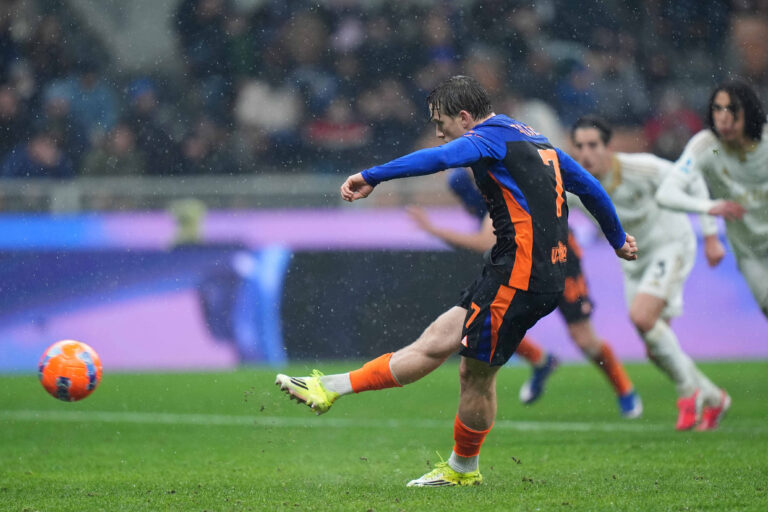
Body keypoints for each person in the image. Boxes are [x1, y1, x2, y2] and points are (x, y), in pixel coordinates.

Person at [276, 76, 637, 487]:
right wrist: (616, 238)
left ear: (465, 117)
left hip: (518, 277)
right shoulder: (536, 140)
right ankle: (330, 388)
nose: (438, 131)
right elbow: (588, 186)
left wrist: (372, 175)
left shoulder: (486, 139)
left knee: (475, 375)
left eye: (440, 121)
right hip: (526, 272)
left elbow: (437, 159)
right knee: (435, 340)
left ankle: (462, 469)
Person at [406, 167, 641, 417]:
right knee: (490, 321)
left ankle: (624, 389)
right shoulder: (469, 183)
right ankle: (542, 360)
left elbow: (484, 241)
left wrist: (432, 230)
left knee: (583, 338)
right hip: (523, 259)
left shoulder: (500, 174)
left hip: (559, 254)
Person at [570, 115, 730, 431]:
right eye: (579, 146)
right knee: (657, 351)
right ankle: (715, 397)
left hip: (671, 244)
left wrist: (710, 235)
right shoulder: (575, 188)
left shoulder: (640, 167)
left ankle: (689, 393)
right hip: (633, 263)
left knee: (642, 317)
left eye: (592, 145)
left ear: (607, 147)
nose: (585, 153)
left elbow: (693, 179)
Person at [656, 80, 768, 320]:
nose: (723, 117)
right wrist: (708, 207)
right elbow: (665, 193)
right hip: (751, 253)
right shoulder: (710, 148)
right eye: (718, 109)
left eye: (732, 109)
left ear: (749, 111)